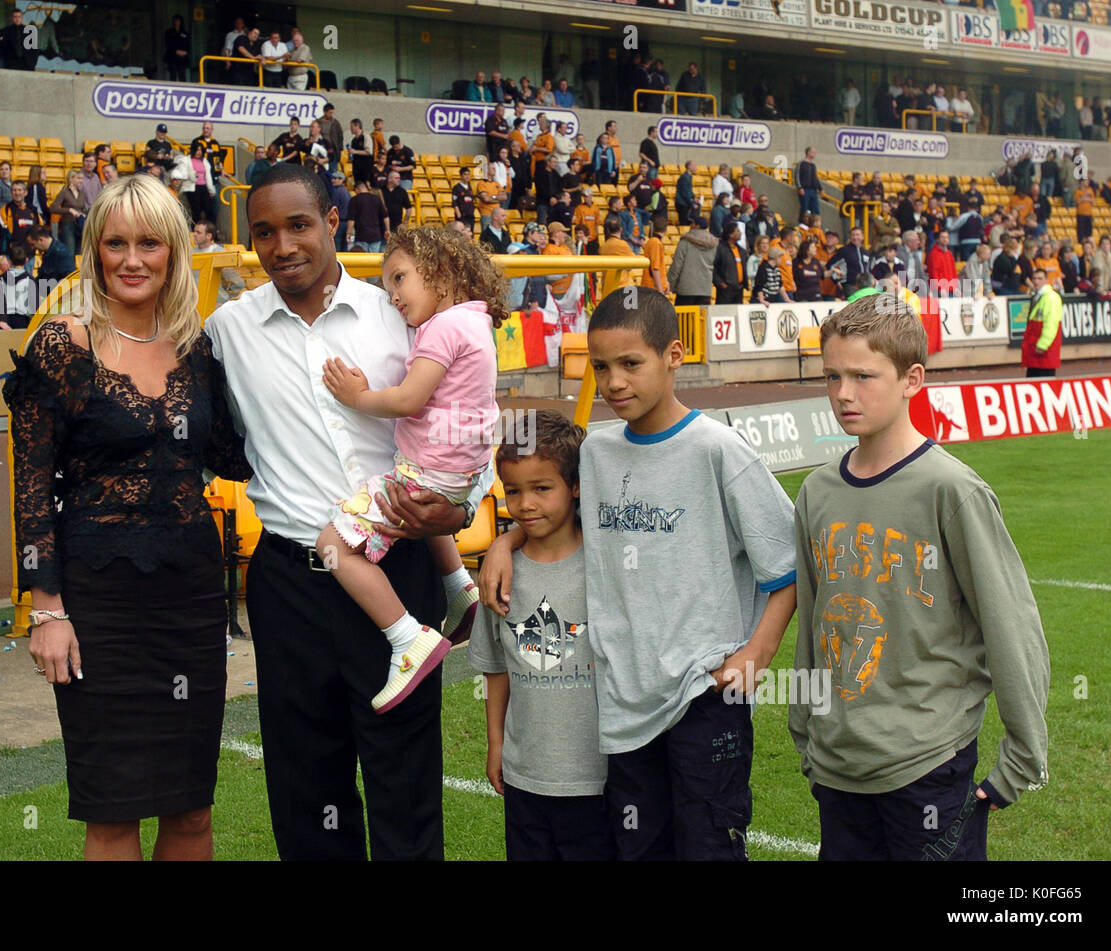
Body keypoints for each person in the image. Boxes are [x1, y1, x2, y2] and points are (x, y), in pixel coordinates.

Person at [205, 164, 487, 859]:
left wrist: (456, 512)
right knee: (307, 794)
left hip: (398, 570)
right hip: (289, 586)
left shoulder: (400, 317)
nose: (282, 245)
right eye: (264, 231)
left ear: (333, 223)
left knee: (406, 787)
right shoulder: (225, 331)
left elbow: (470, 419)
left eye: (299, 224)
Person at [479, 287, 797, 860]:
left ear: (674, 355)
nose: (614, 381)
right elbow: (549, 512)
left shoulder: (719, 450)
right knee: (638, 848)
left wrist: (755, 656)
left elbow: (788, 564)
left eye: (631, 363)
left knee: (708, 845)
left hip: (704, 693)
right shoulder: (597, 454)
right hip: (622, 698)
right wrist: (507, 539)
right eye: (601, 367)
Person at [4, 174, 251, 860]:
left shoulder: (198, 350)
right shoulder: (63, 343)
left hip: (191, 600)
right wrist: (46, 609)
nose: (133, 258)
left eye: (149, 242)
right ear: (96, 251)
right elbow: (31, 490)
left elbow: (235, 458)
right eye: (117, 243)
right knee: (111, 816)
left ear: (173, 251)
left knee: (192, 810)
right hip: (98, 605)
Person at [790, 294, 1050, 861]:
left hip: (928, 764)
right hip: (838, 767)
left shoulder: (951, 491)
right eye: (832, 376)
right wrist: (806, 731)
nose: (843, 393)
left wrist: (1021, 759)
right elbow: (812, 624)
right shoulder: (817, 492)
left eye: (863, 375)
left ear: (912, 379)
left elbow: (1012, 628)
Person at [316, 225, 500, 711]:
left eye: (399, 279)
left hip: (428, 473)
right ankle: (460, 587)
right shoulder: (475, 321)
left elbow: (408, 398)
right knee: (416, 511)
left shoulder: (442, 327)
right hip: (456, 478)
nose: (392, 295)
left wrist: (356, 397)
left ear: (440, 272)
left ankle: (405, 638)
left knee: (333, 544)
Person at [467, 411, 612, 860]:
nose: (525, 504)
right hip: (526, 776)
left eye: (541, 488)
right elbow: (495, 670)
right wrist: (497, 745)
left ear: (575, 486)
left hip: (600, 778)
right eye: (513, 491)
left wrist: (501, 541)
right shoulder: (500, 577)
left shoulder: (606, 563)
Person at [667, 212, 717, 307]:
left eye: (692, 223)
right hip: (705, 289)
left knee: (684, 320)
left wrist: (670, 285)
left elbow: (677, 266)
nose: (690, 225)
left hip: (686, 289)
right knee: (702, 320)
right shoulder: (714, 244)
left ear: (697, 226)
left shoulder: (685, 242)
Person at [1021, 267, 1062, 378]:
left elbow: (1051, 324)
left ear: (1046, 280)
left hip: (1043, 351)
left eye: (1040, 278)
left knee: (1044, 382)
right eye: (1034, 278)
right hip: (1035, 349)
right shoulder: (1038, 296)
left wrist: (1043, 344)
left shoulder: (1051, 298)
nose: (1036, 281)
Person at [713, 220, 746, 304]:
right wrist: (721, 283)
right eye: (737, 231)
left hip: (739, 290)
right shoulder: (720, 249)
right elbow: (713, 268)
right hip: (725, 291)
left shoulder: (741, 250)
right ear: (730, 234)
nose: (740, 233)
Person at [163, 14, 191, 82]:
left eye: (178, 21)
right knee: (173, 75)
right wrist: (176, 51)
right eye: (175, 21)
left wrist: (185, 52)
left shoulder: (184, 33)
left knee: (182, 75)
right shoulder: (169, 32)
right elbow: (168, 44)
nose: (176, 22)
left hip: (182, 58)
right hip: (172, 57)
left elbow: (188, 44)